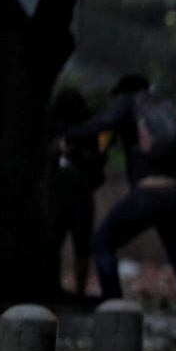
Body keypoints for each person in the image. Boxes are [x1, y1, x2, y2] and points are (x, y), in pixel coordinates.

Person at [65, 74, 176, 324]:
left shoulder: (128, 102)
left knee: (101, 242)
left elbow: (100, 123)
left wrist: (67, 134)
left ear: (123, 90)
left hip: (148, 192)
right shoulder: (164, 105)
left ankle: (114, 312)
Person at [48, 88, 107, 297]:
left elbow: (97, 163)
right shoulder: (56, 129)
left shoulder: (87, 131)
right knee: (58, 242)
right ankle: (60, 286)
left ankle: (78, 289)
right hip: (63, 195)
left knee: (80, 244)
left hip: (77, 195)